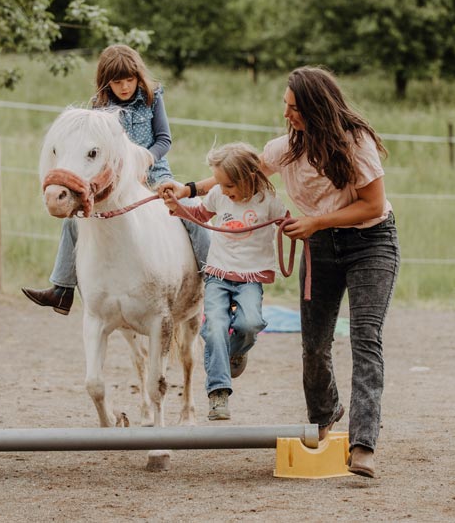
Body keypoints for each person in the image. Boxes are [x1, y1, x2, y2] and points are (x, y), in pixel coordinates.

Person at [159, 67, 399, 478]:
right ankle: (324, 418)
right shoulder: (284, 149)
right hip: (319, 244)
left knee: (364, 337)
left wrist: (316, 222)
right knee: (314, 345)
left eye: (293, 108)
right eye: (285, 106)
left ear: (315, 109)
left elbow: (372, 206)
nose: (286, 114)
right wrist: (188, 190)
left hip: (370, 242)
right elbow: (238, 176)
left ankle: (363, 443)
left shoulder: (356, 144)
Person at [22, 44, 209, 314]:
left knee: (190, 210)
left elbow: (164, 139)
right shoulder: (100, 109)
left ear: (138, 78)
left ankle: (212, 278)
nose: (124, 87)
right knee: (75, 221)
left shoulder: (152, 97)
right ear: (107, 82)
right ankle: (62, 289)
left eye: (129, 80)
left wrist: (145, 158)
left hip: (153, 172)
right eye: (117, 82)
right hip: (114, 179)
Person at [161, 142, 288, 421]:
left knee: (249, 323)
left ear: (249, 178)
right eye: (220, 184)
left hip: (250, 278)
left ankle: (235, 353)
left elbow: (286, 222)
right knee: (215, 327)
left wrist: (299, 229)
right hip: (218, 274)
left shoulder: (268, 201)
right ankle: (218, 391)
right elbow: (200, 216)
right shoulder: (219, 195)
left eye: (229, 185)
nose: (223, 190)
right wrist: (178, 206)